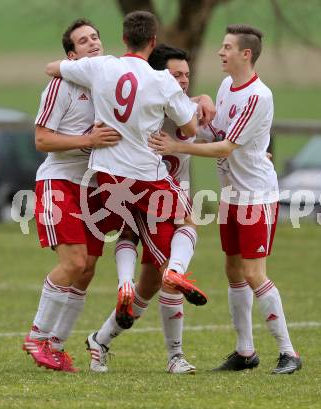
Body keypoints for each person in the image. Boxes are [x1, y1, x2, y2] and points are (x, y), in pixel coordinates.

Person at [149, 24, 302, 374]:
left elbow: (225, 146)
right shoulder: (225, 87)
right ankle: (245, 351)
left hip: (256, 197)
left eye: (227, 47)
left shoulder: (258, 96)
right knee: (233, 271)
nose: (221, 52)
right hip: (232, 197)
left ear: (245, 54)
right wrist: (198, 105)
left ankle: (288, 352)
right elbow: (216, 132)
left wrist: (177, 146)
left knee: (253, 273)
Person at [45, 12, 213, 317]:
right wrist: (196, 102)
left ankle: (125, 282)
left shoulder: (102, 66)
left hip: (107, 177)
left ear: (123, 38)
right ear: (153, 41)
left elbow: (52, 67)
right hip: (145, 175)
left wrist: (71, 68)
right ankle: (175, 270)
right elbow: (189, 130)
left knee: (128, 229)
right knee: (187, 220)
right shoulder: (161, 79)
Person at [22, 18, 138, 372]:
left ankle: (56, 346)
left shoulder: (108, 83)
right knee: (72, 263)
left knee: (86, 269)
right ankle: (37, 336)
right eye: (83, 41)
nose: (93, 43)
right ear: (72, 56)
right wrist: (88, 140)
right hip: (59, 182)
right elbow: (42, 139)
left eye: (95, 38)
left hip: (93, 188)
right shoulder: (61, 85)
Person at [86, 44, 200, 375]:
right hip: (148, 193)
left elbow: (212, 125)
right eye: (176, 75)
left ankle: (100, 340)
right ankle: (175, 356)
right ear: (157, 75)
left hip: (161, 196)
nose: (182, 82)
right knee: (168, 271)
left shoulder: (185, 108)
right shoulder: (145, 111)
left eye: (187, 76)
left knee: (149, 284)